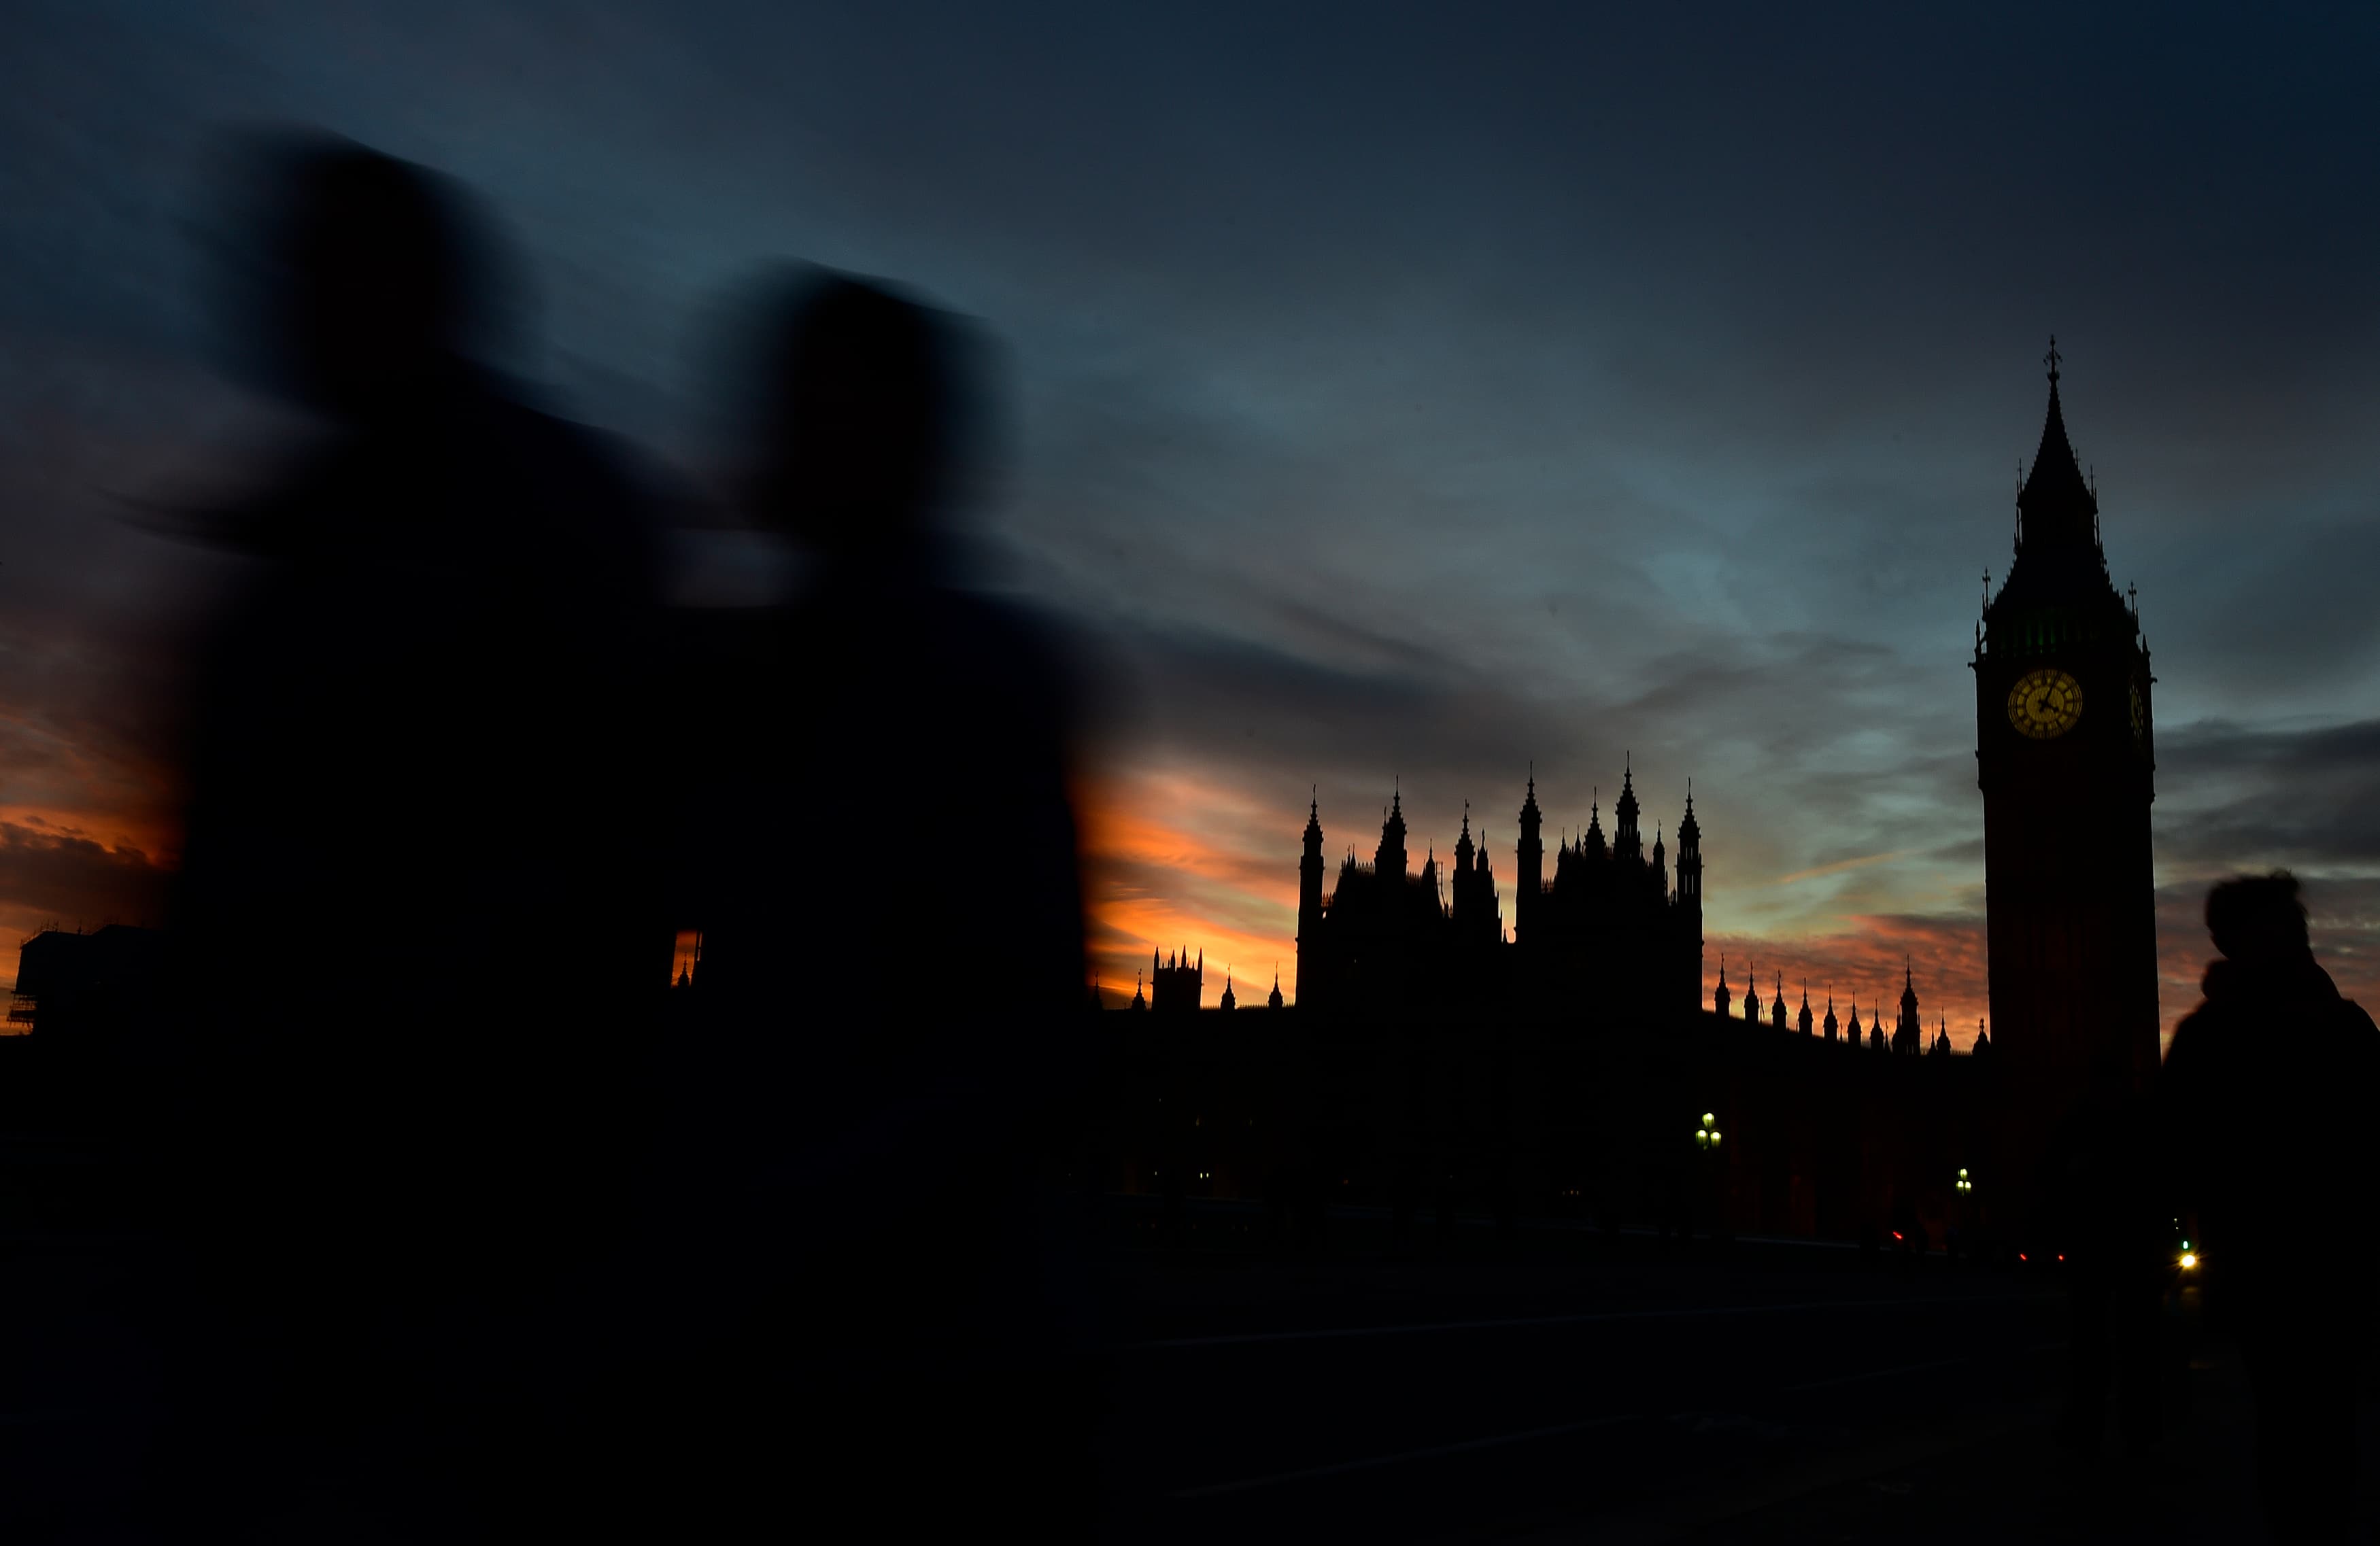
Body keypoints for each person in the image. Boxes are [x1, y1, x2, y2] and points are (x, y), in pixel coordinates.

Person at [149, 135, 666, 1541]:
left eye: (323, 264)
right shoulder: (303, 528)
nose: (284, 296)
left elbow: (625, 844)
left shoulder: (534, 511)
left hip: (468, 1235)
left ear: (412, 287)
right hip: (297, 1235)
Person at [635, 269, 1100, 1539]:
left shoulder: (952, 666)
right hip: (861, 1328)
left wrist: (773, 1212)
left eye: (807, 407)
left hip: (913, 1355)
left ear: (888, 433)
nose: (767, 438)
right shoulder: (782, 657)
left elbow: (1024, 1042)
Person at [2162, 871, 2380, 1544]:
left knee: (2296, 1423)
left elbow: (2171, 1146)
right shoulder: (2330, 1025)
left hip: (2292, 1259)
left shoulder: (2221, 1032)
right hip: (2300, 1261)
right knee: (2310, 1424)